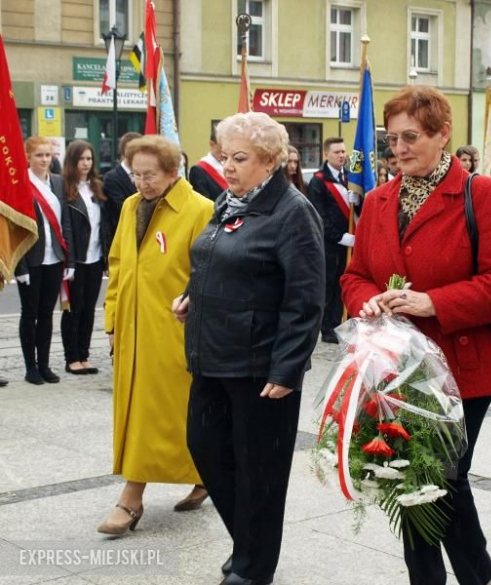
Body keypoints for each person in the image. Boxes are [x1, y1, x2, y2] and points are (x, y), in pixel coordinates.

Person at [341, 86, 491, 585]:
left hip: (461, 370)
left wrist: (433, 302)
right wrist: (367, 301)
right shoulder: (378, 200)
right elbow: (353, 275)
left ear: (443, 135)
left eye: (411, 137)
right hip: (395, 368)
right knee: (407, 479)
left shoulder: (481, 194)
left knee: (443, 480)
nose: (398, 148)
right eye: (392, 138)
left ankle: (475, 577)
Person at [174, 112, 325, 585]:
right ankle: (248, 544)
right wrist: (193, 296)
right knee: (206, 448)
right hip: (212, 354)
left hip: (260, 366)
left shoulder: (292, 211)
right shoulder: (230, 200)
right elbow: (219, 261)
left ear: (270, 161)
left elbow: (306, 299)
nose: (228, 166)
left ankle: (252, 569)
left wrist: (287, 371)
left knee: (260, 473)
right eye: (224, 156)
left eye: (239, 158)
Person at [98, 135, 214, 536]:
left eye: (150, 175)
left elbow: (209, 275)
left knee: (163, 414)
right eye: (136, 175)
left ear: (172, 172)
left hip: (173, 333)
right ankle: (204, 475)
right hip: (132, 332)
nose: (141, 183)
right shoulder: (131, 206)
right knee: (141, 413)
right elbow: (118, 266)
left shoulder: (200, 210)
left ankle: (132, 497)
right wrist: (112, 322)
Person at [16, 136, 75, 385]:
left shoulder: (59, 183)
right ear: (28, 157)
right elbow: (14, 228)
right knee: (30, 314)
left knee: (47, 314)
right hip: (31, 260)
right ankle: (30, 367)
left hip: (55, 258)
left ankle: (45, 364)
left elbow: (66, 222)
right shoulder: (21, 184)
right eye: (39, 155)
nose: (44, 160)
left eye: (48, 155)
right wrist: (20, 265)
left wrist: (70, 260)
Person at [60, 140, 108, 375]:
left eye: (89, 159)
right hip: (76, 260)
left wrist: (106, 259)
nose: (86, 163)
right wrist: (68, 261)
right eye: (82, 159)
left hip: (95, 259)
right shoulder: (65, 188)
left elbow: (104, 227)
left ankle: (84, 355)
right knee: (73, 309)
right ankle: (72, 358)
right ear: (73, 161)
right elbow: (66, 227)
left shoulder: (97, 187)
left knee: (89, 309)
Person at [308, 137, 360, 344]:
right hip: (330, 244)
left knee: (345, 284)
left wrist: (359, 201)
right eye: (337, 152)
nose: (341, 155)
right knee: (329, 285)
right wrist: (339, 237)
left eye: (343, 151)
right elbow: (318, 215)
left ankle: (342, 323)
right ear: (326, 155)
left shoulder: (351, 178)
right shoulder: (319, 181)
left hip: (351, 242)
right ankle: (327, 327)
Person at [103, 131, 142, 250]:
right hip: (122, 237)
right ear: (126, 152)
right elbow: (122, 206)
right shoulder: (112, 178)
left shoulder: (142, 174)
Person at [189, 128, 228, 201]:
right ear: (212, 144)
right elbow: (202, 200)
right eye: (221, 147)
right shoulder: (198, 170)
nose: (224, 151)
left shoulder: (229, 166)